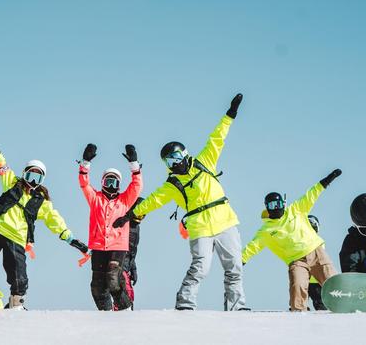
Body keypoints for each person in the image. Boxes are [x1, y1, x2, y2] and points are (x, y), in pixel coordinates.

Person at [116, 94, 247, 311]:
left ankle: (237, 306)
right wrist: (129, 215)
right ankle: (185, 303)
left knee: (234, 267)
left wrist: (230, 113)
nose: (174, 163)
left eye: (176, 157)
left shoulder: (205, 162)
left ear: (184, 154)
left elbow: (217, 138)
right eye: (168, 161)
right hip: (200, 227)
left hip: (225, 221)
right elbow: (153, 201)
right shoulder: (173, 184)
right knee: (200, 267)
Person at [0, 125, 88, 310]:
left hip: (16, 239)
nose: (32, 181)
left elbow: (56, 221)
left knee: (19, 278)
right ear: (24, 173)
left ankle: (16, 306)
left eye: (37, 179)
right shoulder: (11, 182)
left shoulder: (42, 202)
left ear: (42, 182)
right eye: (30, 175)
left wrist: (72, 240)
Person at [242, 170, 341, 311]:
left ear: (283, 202)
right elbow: (253, 246)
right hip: (297, 261)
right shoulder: (266, 231)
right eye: (272, 205)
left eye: (278, 203)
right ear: (267, 208)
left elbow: (311, 195)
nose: (276, 207)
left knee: (331, 280)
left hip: (315, 252)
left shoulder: (296, 210)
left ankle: (344, 300)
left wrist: (326, 181)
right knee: (298, 286)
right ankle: (298, 313)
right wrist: (240, 260)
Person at [78, 143, 143, 311]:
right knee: (97, 286)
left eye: (115, 182)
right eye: (109, 181)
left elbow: (137, 186)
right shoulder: (95, 199)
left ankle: (124, 308)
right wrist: (85, 162)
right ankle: (106, 314)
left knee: (113, 277)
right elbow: (84, 184)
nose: (112, 185)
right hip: (98, 246)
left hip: (117, 246)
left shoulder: (125, 200)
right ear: (102, 182)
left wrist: (134, 165)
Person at [307, 215, 327, 311]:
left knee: (320, 305)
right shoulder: (319, 241)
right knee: (298, 304)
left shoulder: (319, 242)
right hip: (307, 279)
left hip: (314, 280)